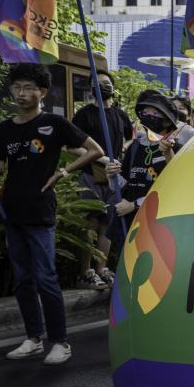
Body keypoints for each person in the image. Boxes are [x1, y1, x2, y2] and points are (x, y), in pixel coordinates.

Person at [0, 64, 103, 365]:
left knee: (46, 277)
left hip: (40, 211)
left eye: (28, 88)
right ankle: (33, 338)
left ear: (42, 92)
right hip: (11, 210)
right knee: (23, 279)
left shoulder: (54, 122)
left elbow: (94, 150)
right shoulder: (4, 129)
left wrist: (63, 171)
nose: (21, 93)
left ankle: (60, 342)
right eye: (17, 87)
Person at [71, 68, 134, 289]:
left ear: (112, 87)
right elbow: (71, 146)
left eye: (106, 83)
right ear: (91, 89)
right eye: (97, 83)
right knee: (91, 221)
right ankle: (86, 271)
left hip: (113, 177)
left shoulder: (120, 115)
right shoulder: (84, 115)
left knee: (108, 222)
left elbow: (130, 138)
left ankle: (102, 268)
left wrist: (118, 157)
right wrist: (99, 158)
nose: (102, 86)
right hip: (90, 174)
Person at [106, 91, 184, 240]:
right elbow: (123, 185)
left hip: (158, 224)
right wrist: (111, 175)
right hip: (128, 223)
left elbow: (174, 188)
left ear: (167, 121)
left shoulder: (175, 149)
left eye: (154, 113)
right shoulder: (134, 146)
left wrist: (134, 205)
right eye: (145, 112)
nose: (148, 116)